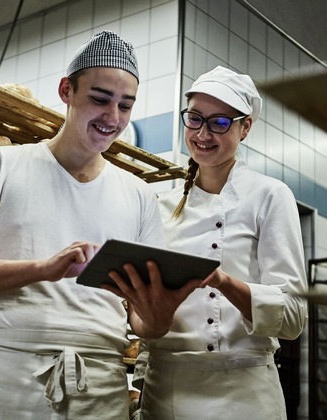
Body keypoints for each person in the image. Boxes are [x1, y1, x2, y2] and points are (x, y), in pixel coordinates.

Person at [0, 31, 191, 419]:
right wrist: (43, 269)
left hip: (99, 385)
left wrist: (161, 312)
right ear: (67, 90)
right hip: (4, 375)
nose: (112, 118)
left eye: (125, 105)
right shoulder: (1, 164)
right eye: (100, 99)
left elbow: (143, 323)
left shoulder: (138, 194)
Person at [105, 66, 308, 419]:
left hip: (244, 392)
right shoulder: (159, 206)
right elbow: (140, 315)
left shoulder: (269, 196)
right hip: (166, 390)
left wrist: (224, 282)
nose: (203, 133)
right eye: (195, 119)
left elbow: (293, 318)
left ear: (245, 127)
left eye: (220, 123)